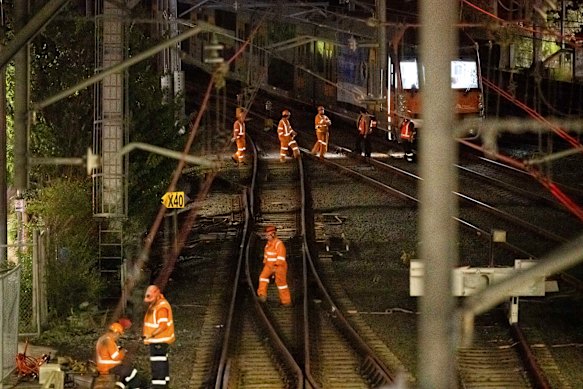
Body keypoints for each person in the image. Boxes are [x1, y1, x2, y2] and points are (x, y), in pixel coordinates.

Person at [143, 285, 175, 389]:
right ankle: (163, 384)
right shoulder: (156, 304)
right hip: (157, 341)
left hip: (158, 341)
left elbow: (162, 326)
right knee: (162, 363)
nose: (148, 301)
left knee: (158, 365)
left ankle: (158, 386)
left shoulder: (161, 307)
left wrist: (150, 335)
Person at [95, 321, 141, 388]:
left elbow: (106, 352)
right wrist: (123, 351)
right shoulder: (109, 341)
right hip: (110, 368)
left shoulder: (102, 338)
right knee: (133, 372)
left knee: (124, 375)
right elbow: (116, 357)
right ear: (116, 333)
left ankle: (118, 386)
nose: (118, 337)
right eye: (119, 335)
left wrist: (118, 348)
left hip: (104, 367)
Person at [256, 225, 292, 306]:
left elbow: (281, 257)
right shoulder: (268, 244)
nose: (266, 237)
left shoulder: (279, 244)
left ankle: (286, 301)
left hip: (279, 267)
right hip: (269, 265)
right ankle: (262, 295)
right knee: (263, 277)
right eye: (266, 235)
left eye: (268, 235)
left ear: (273, 234)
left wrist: (275, 268)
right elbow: (266, 255)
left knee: (281, 283)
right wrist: (265, 263)